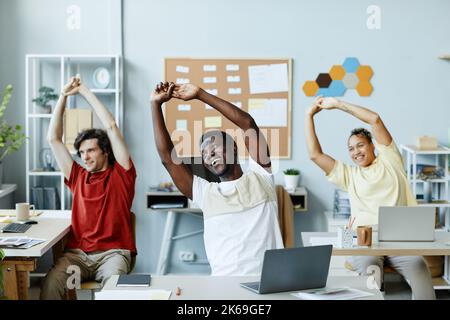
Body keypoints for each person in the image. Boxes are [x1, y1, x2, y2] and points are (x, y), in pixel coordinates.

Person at [304, 96, 435, 299]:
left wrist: (338, 105)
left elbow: (374, 119)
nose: (356, 151)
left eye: (361, 145)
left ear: (373, 145)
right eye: (351, 148)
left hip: (399, 240)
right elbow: (315, 155)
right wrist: (309, 115)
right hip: (365, 242)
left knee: (419, 266)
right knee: (371, 272)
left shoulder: (391, 160)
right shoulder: (349, 175)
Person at [150, 81, 283, 276]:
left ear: (234, 148)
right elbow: (168, 159)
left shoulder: (262, 176)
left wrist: (201, 95)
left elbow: (247, 124)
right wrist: (155, 104)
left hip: (268, 283)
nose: (210, 154)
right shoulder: (204, 193)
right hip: (223, 287)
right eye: (204, 153)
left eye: (215, 146)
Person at [40, 76, 137, 299]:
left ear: (105, 151)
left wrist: (84, 90)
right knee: (52, 284)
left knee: (113, 293)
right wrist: (63, 96)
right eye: (82, 152)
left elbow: (111, 126)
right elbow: (53, 138)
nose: (85, 157)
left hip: (112, 255)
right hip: (77, 257)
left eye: (91, 150)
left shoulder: (122, 174)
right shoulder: (77, 176)